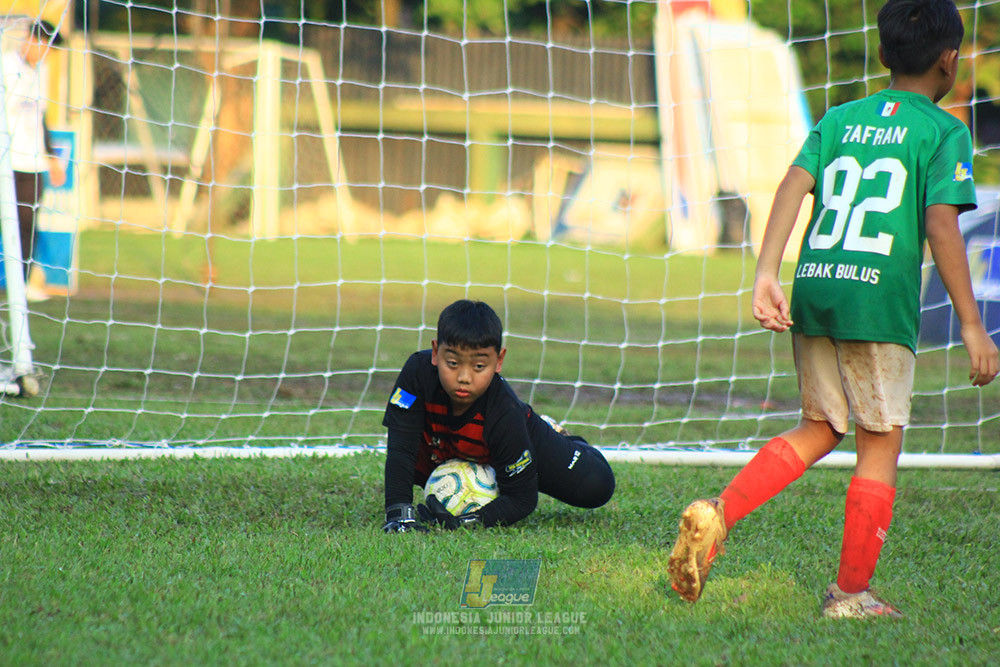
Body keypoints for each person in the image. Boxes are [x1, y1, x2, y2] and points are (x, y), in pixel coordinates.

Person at [666, 0, 998, 619]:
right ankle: (850, 595)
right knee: (879, 443)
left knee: (821, 425)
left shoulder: (841, 116)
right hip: (877, 298)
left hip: (817, 284)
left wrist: (768, 273)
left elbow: (792, 184)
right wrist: (973, 324)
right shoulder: (944, 130)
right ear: (950, 61)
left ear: (881, 54)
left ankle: (718, 516)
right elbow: (941, 224)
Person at [381, 299, 616, 532]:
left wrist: (467, 522)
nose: (464, 377)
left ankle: (552, 431)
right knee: (407, 457)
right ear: (435, 353)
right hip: (444, 444)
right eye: (452, 362)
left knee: (596, 486)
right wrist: (399, 515)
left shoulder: (504, 412)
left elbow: (522, 499)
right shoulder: (417, 372)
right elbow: (401, 449)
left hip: (510, 440)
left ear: (499, 361)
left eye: (479, 366)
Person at [2, 19, 67, 299]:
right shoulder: (5, 66)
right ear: (31, 39)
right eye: (44, 46)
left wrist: (52, 157)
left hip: (32, 163)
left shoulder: (39, 74)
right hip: (6, 160)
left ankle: (23, 284)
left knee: (27, 224)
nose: (45, 53)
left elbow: (40, 119)